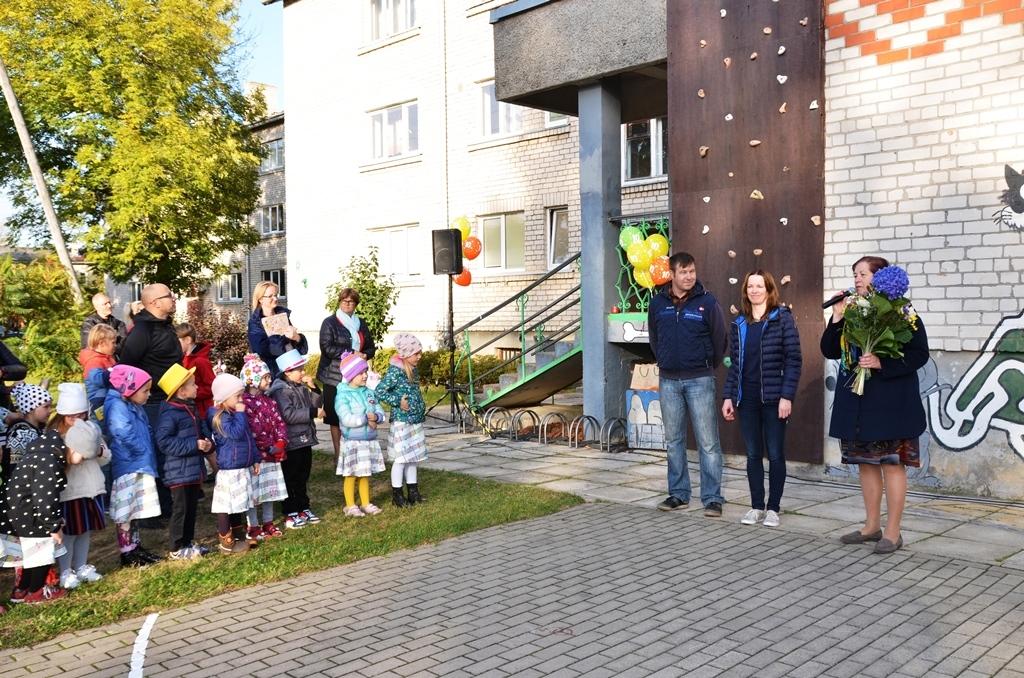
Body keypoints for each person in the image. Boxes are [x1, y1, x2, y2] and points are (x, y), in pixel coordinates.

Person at [821, 256, 929, 555]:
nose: (856, 279)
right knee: (866, 464)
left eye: (863, 274)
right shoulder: (852, 309)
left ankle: (893, 532)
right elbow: (829, 350)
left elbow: (920, 353)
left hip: (891, 402)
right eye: (854, 274)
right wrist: (838, 317)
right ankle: (871, 526)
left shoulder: (901, 311)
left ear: (879, 278)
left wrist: (882, 362)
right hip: (857, 402)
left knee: (892, 464)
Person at [647, 252, 729, 517]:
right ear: (671, 274)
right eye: (683, 272)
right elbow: (654, 338)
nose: (689, 276)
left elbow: (720, 341)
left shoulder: (708, 302)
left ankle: (713, 498)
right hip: (669, 381)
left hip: (700, 380)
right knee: (673, 441)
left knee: (708, 442)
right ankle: (679, 494)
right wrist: (666, 360)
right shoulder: (657, 304)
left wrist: (705, 364)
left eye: (692, 271)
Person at [721, 270, 803, 528]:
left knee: (776, 454)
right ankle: (756, 506)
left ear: (769, 289)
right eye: (750, 287)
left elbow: (794, 360)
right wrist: (728, 396)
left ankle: (773, 508)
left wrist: (786, 396)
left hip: (774, 398)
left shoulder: (782, 319)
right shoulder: (740, 324)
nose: (755, 290)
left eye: (759, 286)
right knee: (753, 454)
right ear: (746, 291)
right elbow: (735, 366)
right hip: (747, 399)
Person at [119, 283, 183, 520]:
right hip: (153, 403)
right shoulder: (142, 331)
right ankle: (155, 510)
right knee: (158, 453)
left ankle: (170, 503)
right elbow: (125, 369)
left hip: (172, 399)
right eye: (169, 296)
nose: (174, 298)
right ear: (155, 303)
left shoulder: (165, 326)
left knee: (171, 452)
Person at [1, 430, 69, 604]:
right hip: (29, 514)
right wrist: (53, 526)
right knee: (43, 552)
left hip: (17, 513)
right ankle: (37, 592)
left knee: (31, 555)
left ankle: (21, 590)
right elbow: (45, 496)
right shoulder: (48, 461)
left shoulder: (35, 456)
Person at [50, 386, 108, 589]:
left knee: (85, 530)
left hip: (91, 488)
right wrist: (76, 454)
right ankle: (66, 570)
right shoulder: (56, 436)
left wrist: (98, 451)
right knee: (71, 533)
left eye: (81, 415)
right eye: (72, 416)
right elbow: (62, 463)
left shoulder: (91, 429)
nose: (77, 419)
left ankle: (82, 566)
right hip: (71, 491)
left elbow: (106, 457)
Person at [105, 365, 163, 567]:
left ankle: (135, 546)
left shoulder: (133, 405)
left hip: (139, 463)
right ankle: (126, 552)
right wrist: (141, 450)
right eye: (145, 390)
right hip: (130, 465)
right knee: (126, 511)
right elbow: (122, 431)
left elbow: (145, 427)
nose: (149, 394)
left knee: (136, 509)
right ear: (130, 389)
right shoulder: (118, 406)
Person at [155, 364, 213, 560]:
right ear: (181, 391)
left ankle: (187, 543)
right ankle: (176, 547)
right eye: (193, 384)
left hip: (192, 470)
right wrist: (193, 444)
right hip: (178, 472)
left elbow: (199, 434)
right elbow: (163, 442)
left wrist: (207, 444)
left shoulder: (190, 409)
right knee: (180, 509)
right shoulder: (171, 414)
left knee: (190, 508)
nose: (197, 387)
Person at [318, 288, 377, 461]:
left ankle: (355, 448)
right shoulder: (329, 323)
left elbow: (371, 346)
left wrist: (365, 354)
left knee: (355, 410)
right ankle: (338, 453)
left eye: (351, 301)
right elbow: (327, 348)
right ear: (339, 302)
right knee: (336, 416)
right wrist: (352, 352)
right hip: (334, 375)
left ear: (356, 304)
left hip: (356, 374)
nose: (347, 303)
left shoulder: (361, 323)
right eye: (344, 300)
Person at [267, 349, 323, 529]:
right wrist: (312, 412)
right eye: (300, 369)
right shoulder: (281, 391)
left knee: (303, 476)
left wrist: (314, 389)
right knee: (290, 477)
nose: (303, 372)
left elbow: (313, 405)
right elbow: (288, 415)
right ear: (288, 372)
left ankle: (303, 508)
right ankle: (289, 512)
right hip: (291, 442)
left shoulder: (300, 387)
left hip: (305, 439)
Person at [208, 374, 259, 554]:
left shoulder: (236, 415)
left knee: (238, 502)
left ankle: (239, 534)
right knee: (226, 505)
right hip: (230, 468)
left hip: (242, 466)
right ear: (224, 398)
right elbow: (236, 433)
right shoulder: (219, 417)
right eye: (237, 397)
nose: (241, 400)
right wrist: (240, 413)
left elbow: (248, 437)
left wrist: (255, 459)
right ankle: (226, 541)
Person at [239, 354, 289, 539]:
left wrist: (281, 442)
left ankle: (268, 522)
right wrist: (269, 446)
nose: (269, 380)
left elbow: (279, 422)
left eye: (269, 376)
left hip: (273, 455)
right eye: (265, 377)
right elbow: (254, 430)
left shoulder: (270, 401)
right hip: (257, 457)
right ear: (252, 380)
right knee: (254, 492)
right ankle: (252, 525)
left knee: (270, 490)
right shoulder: (245, 403)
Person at [376, 334, 428, 508]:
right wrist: (398, 402)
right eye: (416, 353)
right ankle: (397, 495)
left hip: (415, 420)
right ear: (406, 354)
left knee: (412, 457)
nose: (419, 357)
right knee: (401, 458)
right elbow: (380, 391)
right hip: (402, 421)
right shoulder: (395, 371)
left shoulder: (413, 370)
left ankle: (413, 492)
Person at [335, 352, 386, 517]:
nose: (365, 376)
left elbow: (380, 411)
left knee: (365, 473)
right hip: (353, 442)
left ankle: (365, 503)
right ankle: (350, 505)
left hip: (368, 441)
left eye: (366, 372)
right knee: (351, 474)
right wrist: (365, 418)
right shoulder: (342, 395)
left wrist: (377, 417)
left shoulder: (369, 393)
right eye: (361, 373)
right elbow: (346, 418)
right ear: (350, 376)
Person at [247, 281, 307, 379]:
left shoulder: (282, 315)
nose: (275, 298)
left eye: (276, 295)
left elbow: (300, 347)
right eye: (270, 296)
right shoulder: (255, 322)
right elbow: (264, 349)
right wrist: (285, 338)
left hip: (292, 368)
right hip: (273, 373)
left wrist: (297, 338)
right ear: (260, 299)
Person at [176, 322, 216, 419]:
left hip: (202, 412)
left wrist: (193, 394)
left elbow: (212, 386)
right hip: (190, 408)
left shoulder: (201, 361)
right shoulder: (183, 358)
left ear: (188, 340)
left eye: (178, 341)